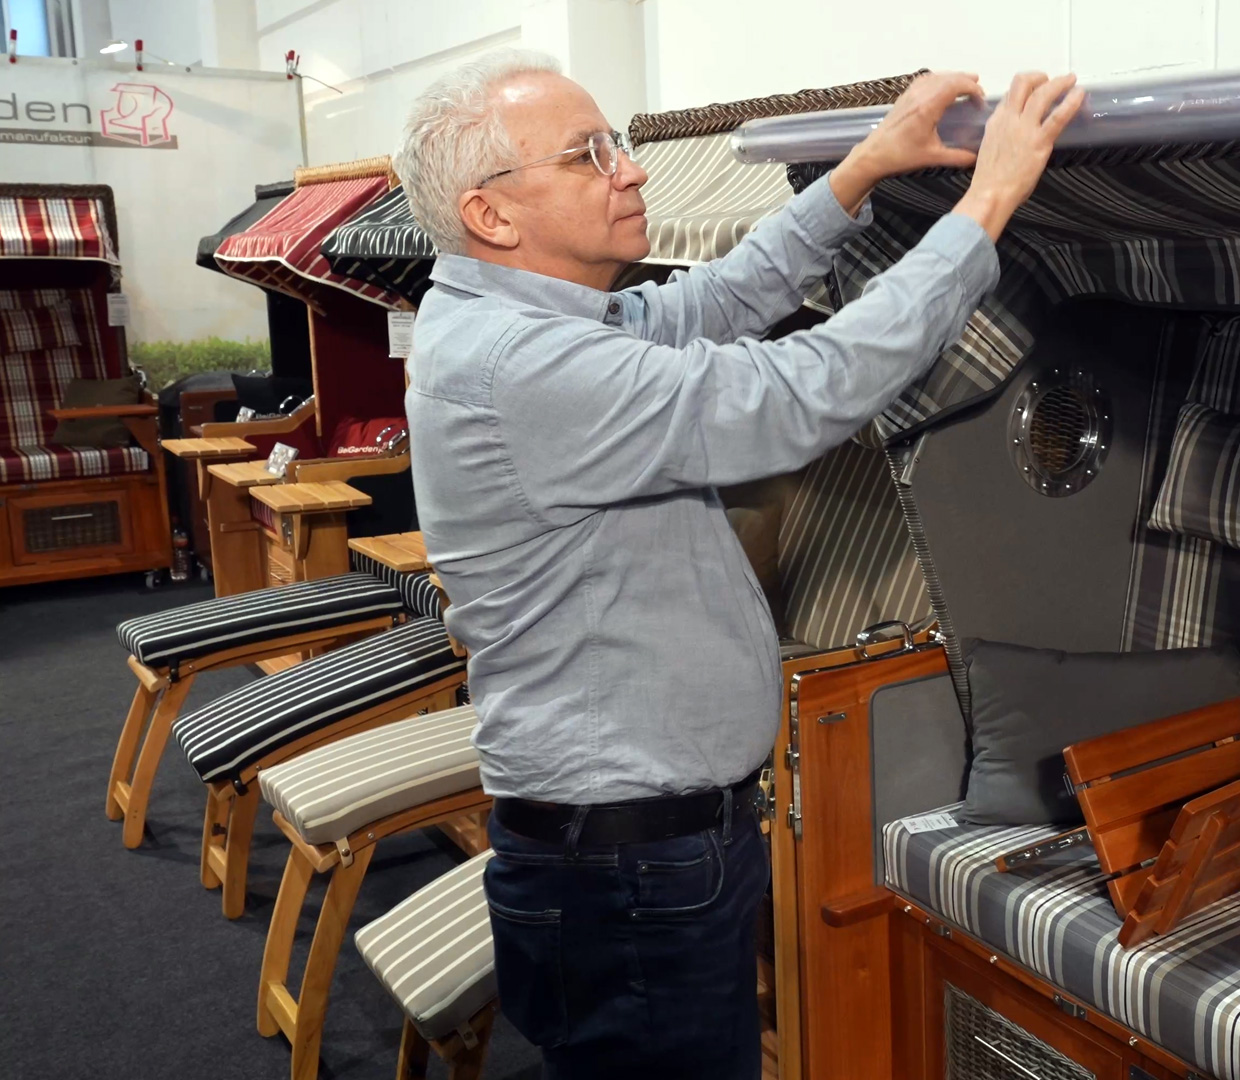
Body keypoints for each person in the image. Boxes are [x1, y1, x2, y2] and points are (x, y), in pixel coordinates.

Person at [394, 49, 1083, 1079]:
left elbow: (705, 304)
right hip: (629, 868)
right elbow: (810, 387)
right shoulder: (522, 364)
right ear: (492, 215)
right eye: (590, 155)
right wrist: (985, 208)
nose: (631, 172)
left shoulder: (525, 322)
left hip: (630, 851)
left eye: (617, 143)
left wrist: (860, 170)